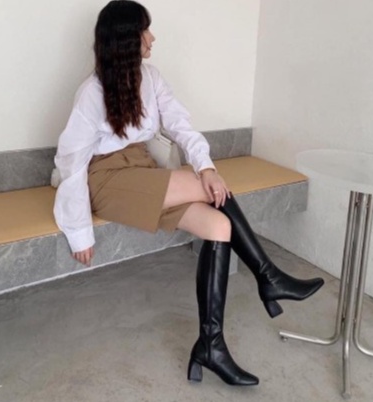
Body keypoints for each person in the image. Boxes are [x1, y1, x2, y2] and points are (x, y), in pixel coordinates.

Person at [54, 0, 324, 387]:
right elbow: (71, 160)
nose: (152, 38)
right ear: (128, 39)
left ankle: (211, 346)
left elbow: (180, 124)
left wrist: (206, 165)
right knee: (209, 187)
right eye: (145, 30)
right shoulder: (92, 92)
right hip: (107, 178)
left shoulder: (151, 77)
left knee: (219, 227)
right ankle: (269, 276)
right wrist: (78, 228)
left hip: (144, 171)